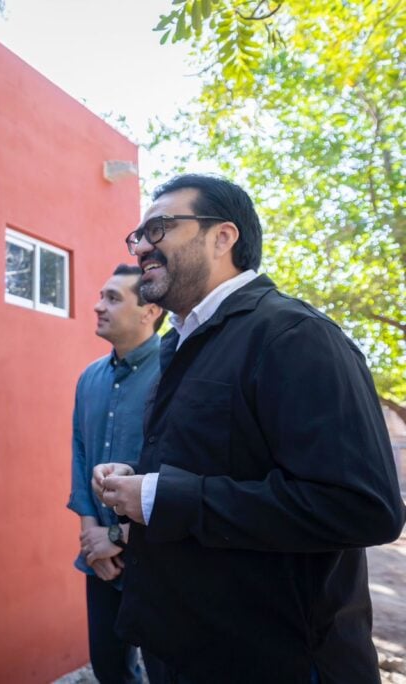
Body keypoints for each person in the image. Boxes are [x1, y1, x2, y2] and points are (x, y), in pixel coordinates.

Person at [93, 174, 406, 683]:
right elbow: (216, 469)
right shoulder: (183, 345)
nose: (143, 246)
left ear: (223, 237)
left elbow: (363, 508)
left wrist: (163, 498)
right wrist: (136, 483)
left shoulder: (295, 336)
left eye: (160, 228)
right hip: (186, 653)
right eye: (138, 236)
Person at [68, 264, 163, 684]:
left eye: (112, 298)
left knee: (168, 670)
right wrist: (93, 541)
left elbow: (183, 472)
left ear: (151, 311)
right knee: (111, 669)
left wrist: (114, 540)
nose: (96, 306)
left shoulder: (175, 373)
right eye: (100, 295)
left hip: (161, 558)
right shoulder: (89, 378)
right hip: (101, 564)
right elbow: (80, 455)